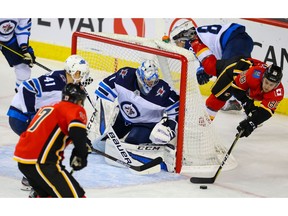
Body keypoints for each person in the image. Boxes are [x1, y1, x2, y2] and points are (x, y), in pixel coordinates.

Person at [7, 54, 90, 192]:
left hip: (31, 117)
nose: (81, 77)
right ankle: (34, 181)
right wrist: (31, 115)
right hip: (19, 117)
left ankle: (34, 180)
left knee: (46, 146)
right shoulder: (56, 83)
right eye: (78, 73)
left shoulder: (66, 83)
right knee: (43, 147)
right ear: (70, 71)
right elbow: (26, 87)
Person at [93, 59, 179, 171]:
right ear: (139, 77)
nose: (151, 84)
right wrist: (104, 113)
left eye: (153, 81)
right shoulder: (125, 76)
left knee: (132, 142)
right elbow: (104, 90)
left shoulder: (162, 91)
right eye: (148, 81)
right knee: (102, 142)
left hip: (146, 124)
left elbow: (176, 109)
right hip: (122, 118)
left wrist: (170, 128)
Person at [190, 35, 284, 138]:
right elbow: (236, 89)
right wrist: (248, 106)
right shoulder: (253, 74)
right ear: (263, 77)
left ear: (277, 84)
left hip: (243, 73)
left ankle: (195, 41)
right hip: (235, 70)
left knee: (210, 67)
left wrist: (252, 123)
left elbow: (266, 112)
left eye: (271, 85)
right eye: (266, 82)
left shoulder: (278, 93)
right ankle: (199, 128)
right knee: (217, 99)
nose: (267, 87)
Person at [13, 83, 89, 198]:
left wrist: (82, 141)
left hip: (23, 160)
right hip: (42, 162)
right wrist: (80, 153)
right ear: (78, 100)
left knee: (48, 196)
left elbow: (51, 131)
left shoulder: (48, 108)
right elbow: (77, 132)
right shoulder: (74, 109)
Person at [168, 21, 254, 111]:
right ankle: (235, 102)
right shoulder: (197, 34)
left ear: (181, 38)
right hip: (239, 40)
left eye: (176, 42)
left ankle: (250, 109)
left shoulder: (191, 41)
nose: (177, 45)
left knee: (228, 76)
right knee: (240, 75)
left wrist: (203, 71)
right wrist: (203, 70)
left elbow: (206, 58)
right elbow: (209, 56)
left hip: (234, 41)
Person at [0, 18, 36, 91]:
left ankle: (21, 96)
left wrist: (24, 48)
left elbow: (22, 28)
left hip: (9, 39)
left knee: (23, 66)